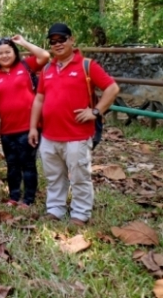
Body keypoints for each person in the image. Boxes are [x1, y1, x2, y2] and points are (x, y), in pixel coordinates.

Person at [29, 23, 119, 226]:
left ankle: (80, 213)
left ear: (72, 40)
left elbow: (112, 88)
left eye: (62, 39)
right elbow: (39, 99)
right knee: (54, 176)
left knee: (79, 176)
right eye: (53, 41)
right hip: (49, 135)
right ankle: (55, 209)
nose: (58, 44)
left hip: (77, 134)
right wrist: (34, 127)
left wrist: (95, 111)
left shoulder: (87, 65)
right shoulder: (47, 69)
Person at [0, 35, 50, 208]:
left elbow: (44, 56)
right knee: (12, 164)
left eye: (8, 51)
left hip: (29, 126)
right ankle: (14, 196)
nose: (5, 56)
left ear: (15, 52)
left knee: (27, 163)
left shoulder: (25, 65)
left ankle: (28, 198)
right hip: (7, 128)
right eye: (0, 53)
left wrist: (23, 42)